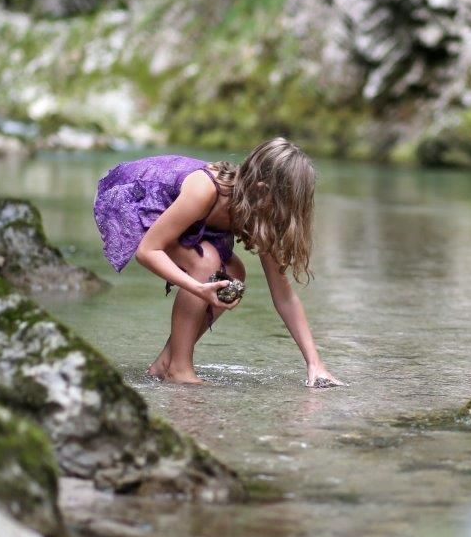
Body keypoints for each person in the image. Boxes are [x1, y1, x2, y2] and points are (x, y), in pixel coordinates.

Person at [93, 138, 344, 388]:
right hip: (139, 197)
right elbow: (148, 251)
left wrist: (315, 363)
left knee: (234, 274)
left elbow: (284, 296)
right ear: (261, 190)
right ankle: (179, 369)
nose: (284, 217)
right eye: (284, 208)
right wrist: (197, 288)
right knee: (207, 262)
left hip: (188, 219)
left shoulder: (259, 212)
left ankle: (165, 363)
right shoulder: (206, 190)